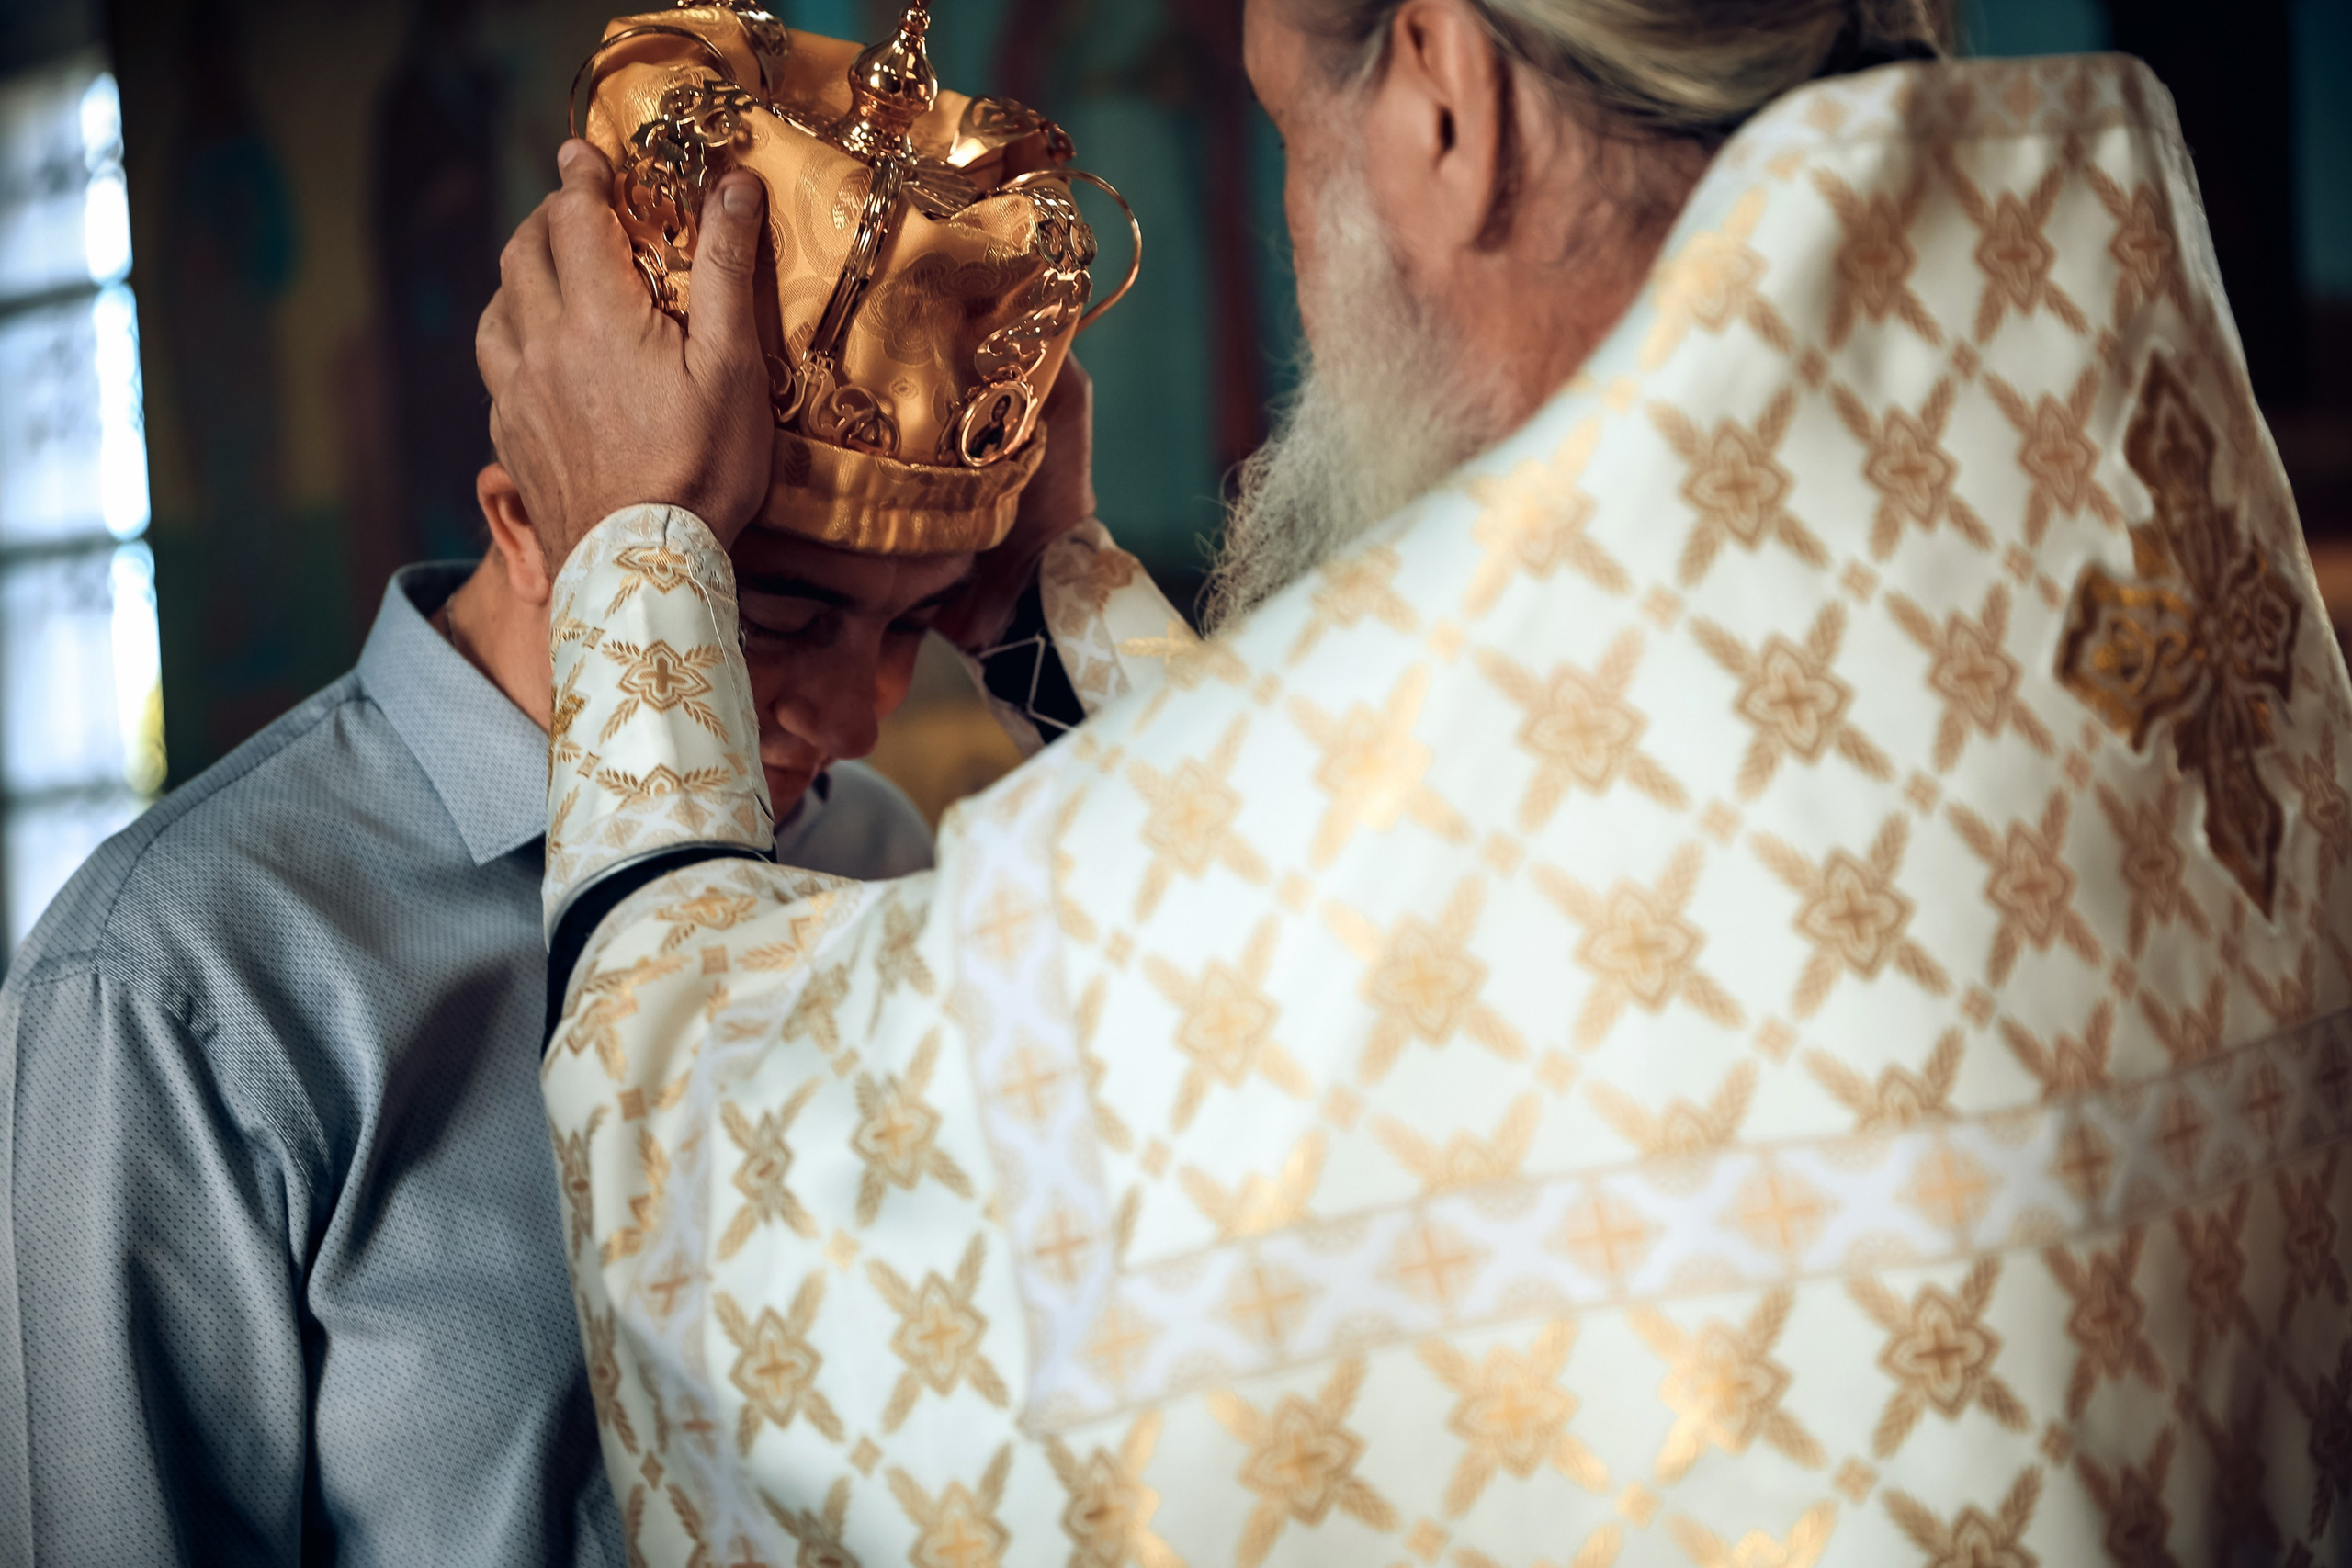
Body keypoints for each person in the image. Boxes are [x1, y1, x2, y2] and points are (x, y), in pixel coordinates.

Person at [486, 1, 2352, 1563]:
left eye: (1292, 134)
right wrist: (1058, 618)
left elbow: (727, 1264)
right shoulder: (2108, 524)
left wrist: (640, 553)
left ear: (1448, 99)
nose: (1303, 226)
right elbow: (1406, 897)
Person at [0, 434, 943, 1558]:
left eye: (909, 627)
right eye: (785, 614)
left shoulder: (872, 846)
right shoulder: (168, 978)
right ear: (526, 524)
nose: (858, 719)